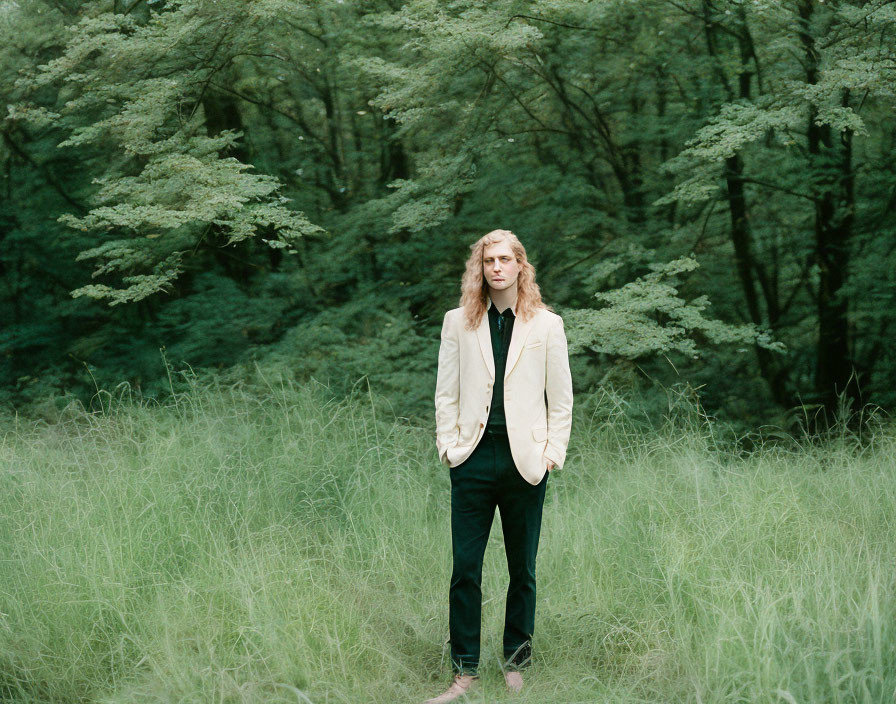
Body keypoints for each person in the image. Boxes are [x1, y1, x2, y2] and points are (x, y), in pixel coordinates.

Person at [426, 229, 573, 702]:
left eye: (505, 259)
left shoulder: (547, 325)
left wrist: (552, 454)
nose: (497, 267)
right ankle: (464, 671)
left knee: (521, 568)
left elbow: (561, 398)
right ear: (480, 268)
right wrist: (449, 446)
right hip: (471, 460)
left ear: (520, 266)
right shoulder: (458, 322)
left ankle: (515, 661)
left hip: (525, 463)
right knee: (465, 567)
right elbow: (445, 391)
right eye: (489, 260)